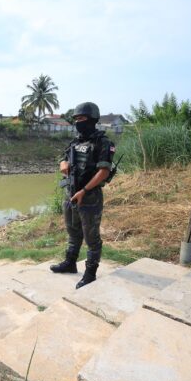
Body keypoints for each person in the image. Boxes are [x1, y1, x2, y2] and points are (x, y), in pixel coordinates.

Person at [50, 102, 115, 289]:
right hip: (70, 193)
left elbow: (104, 171)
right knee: (73, 232)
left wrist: (84, 191)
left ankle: (90, 273)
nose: (78, 122)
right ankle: (70, 263)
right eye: (76, 119)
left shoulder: (103, 142)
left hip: (89, 197)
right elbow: (64, 158)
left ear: (92, 119)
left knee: (91, 238)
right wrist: (63, 164)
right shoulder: (75, 141)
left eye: (82, 118)